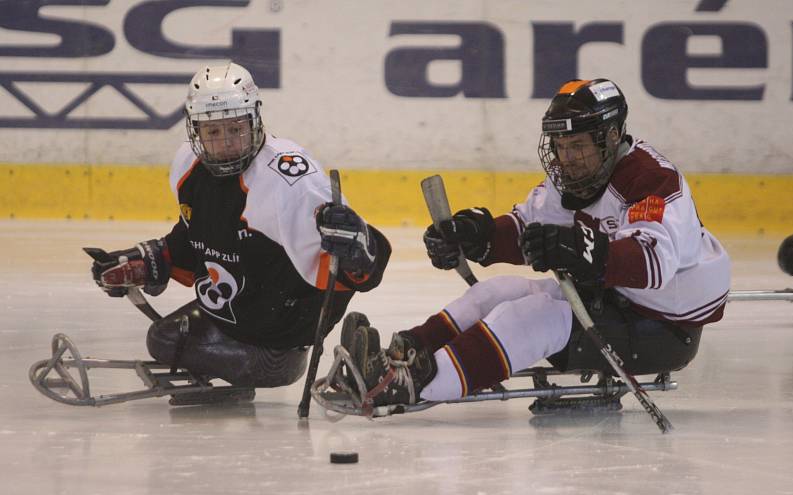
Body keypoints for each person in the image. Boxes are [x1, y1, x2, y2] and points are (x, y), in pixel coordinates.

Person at [340, 78, 730, 408]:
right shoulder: (578, 177)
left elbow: (653, 262)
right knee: (497, 292)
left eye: (577, 145)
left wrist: (580, 249)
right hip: (618, 299)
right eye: (560, 146)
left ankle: (411, 386)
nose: (567, 158)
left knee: (533, 316)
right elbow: (526, 225)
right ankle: (403, 354)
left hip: (663, 325)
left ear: (611, 137)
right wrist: (478, 237)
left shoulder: (651, 179)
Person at [89, 61, 391, 395]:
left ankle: (260, 366)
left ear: (255, 120)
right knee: (164, 337)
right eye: (213, 132)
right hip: (237, 314)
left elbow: (352, 263)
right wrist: (150, 261)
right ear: (195, 130)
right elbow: (201, 236)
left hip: (277, 340)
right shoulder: (188, 164)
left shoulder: (289, 182)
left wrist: (358, 250)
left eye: (235, 129)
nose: (226, 143)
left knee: (163, 339)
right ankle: (238, 364)